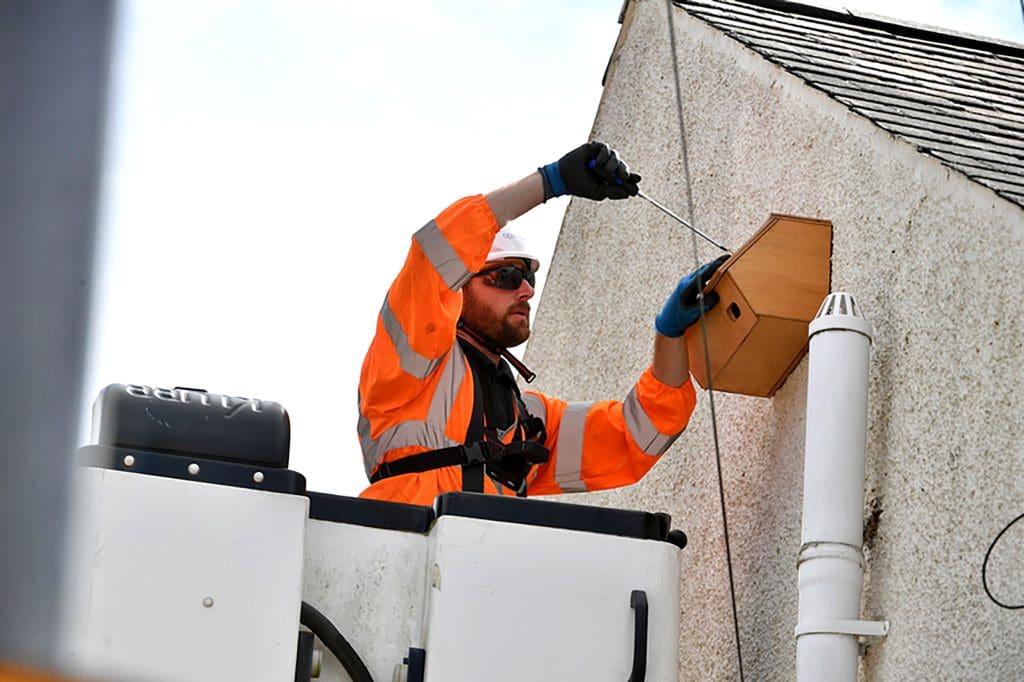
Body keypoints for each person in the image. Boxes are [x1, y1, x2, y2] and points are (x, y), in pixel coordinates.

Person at [357, 141, 727, 506]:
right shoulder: (413, 361)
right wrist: (551, 181)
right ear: (458, 285)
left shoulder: (528, 420)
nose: (525, 291)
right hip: (402, 548)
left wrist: (670, 334)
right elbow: (435, 254)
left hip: (487, 557)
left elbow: (637, 436)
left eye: (529, 279)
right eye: (504, 276)